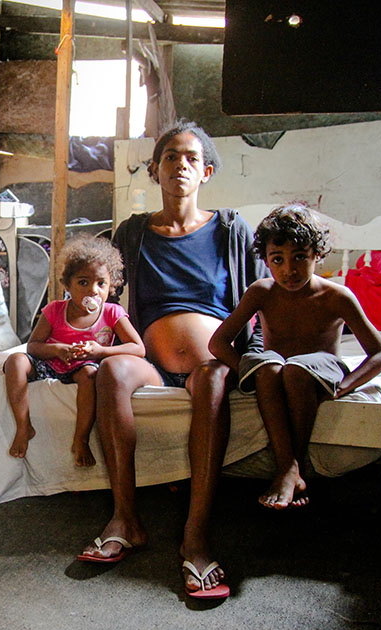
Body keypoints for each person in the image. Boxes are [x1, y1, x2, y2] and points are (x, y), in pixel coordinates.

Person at [77, 121, 267, 600]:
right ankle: (126, 517)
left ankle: (196, 536)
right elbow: (102, 294)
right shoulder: (134, 232)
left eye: (189, 157)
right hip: (149, 358)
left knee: (214, 381)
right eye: (169, 157)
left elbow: (262, 293)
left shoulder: (229, 229)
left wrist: (265, 350)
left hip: (211, 362)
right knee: (112, 371)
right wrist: (67, 338)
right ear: (156, 170)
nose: (179, 164)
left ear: (205, 171)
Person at [209, 204, 381, 510]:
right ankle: (291, 468)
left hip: (319, 368)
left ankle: (287, 470)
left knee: (293, 370)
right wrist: (247, 370)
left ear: (317, 256)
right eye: (277, 260)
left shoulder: (337, 296)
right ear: (265, 260)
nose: (288, 270)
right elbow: (218, 343)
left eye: (300, 258)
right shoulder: (262, 291)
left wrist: (345, 385)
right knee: (269, 367)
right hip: (275, 367)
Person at [3, 234, 145, 467]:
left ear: (112, 286)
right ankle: (23, 426)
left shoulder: (112, 313)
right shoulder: (54, 310)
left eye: (101, 283)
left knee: (89, 375)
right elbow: (33, 346)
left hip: (85, 366)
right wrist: (57, 349)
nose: (93, 290)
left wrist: (99, 351)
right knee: (15, 361)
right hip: (52, 363)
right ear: (67, 285)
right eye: (83, 282)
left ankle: (81, 439)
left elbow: (138, 348)